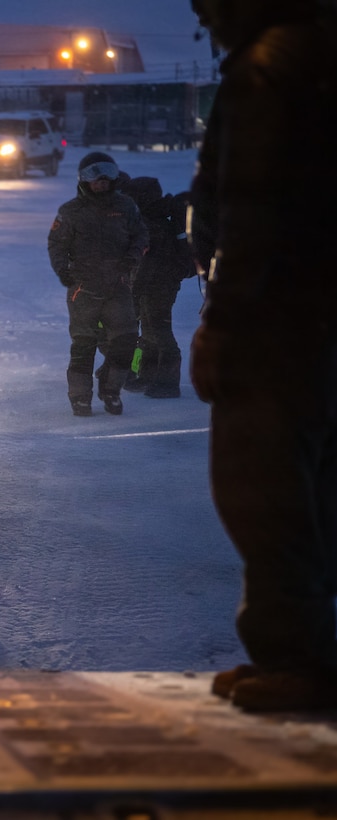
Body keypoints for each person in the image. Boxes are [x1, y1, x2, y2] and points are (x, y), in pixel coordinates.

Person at [188, 0, 337, 711]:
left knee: (263, 490)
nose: (201, 14)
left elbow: (253, 208)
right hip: (315, 316)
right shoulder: (315, 49)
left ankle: (298, 660)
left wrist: (223, 322)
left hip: (280, 318)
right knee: (314, 487)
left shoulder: (270, 65)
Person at [47, 152, 148, 417]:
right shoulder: (70, 211)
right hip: (84, 288)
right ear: (84, 179)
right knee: (83, 344)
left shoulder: (125, 206)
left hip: (118, 286)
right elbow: (57, 244)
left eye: (107, 174)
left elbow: (141, 235)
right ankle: (80, 397)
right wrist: (63, 271)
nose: (101, 181)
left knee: (125, 341)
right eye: (95, 175)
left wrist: (132, 258)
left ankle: (111, 390)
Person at [119, 176, 195, 398]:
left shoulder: (154, 225)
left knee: (159, 331)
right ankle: (149, 376)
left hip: (159, 286)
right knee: (150, 332)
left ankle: (168, 383)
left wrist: (134, 290)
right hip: (158, 285)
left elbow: (148, 265)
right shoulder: (156, 218)